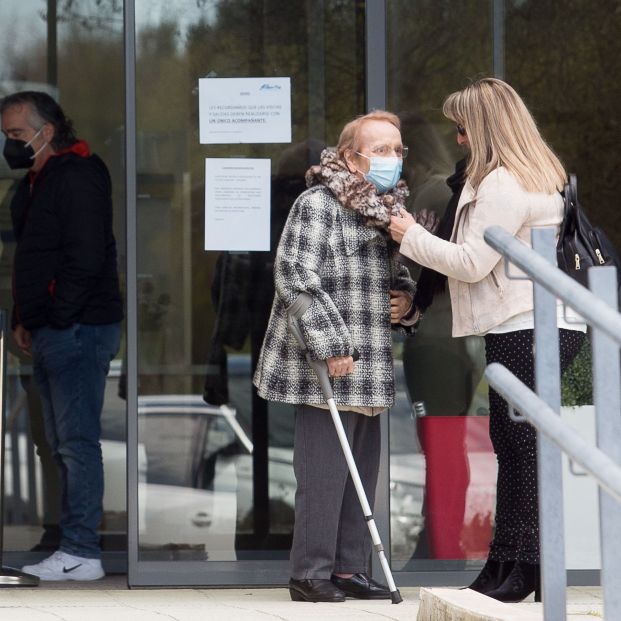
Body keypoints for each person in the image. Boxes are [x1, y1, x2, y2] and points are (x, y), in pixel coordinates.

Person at [389, 78, 586, 603]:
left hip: (527, 324)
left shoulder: (503, 183)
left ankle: (518, 570)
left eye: (462, 128)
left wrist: (408, 232)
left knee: (518, 448)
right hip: (538, 322)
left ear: (484, 128)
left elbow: (473, 264)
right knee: (518, 446)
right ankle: (510, 564)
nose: (457, 140)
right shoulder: (535, 174)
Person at [254, 110, 419, 603]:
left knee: (361, 475)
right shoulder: (318, 205)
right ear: (351, 157)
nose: (392, 158)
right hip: (328, 362)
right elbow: (295, 277)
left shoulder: (384, 210)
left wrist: (405, 302)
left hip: (371, 362)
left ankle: (349, 569)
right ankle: (310, 573)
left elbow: (398, 277)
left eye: (397, 149)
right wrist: (330, 345)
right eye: (381, 149)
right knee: (324, 476)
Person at [1, 91, 123, 580]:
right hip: (54, 328)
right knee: (58, 443)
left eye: (14, 135)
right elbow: (35, 258)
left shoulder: (78, 175)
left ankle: (81, 551)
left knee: (75, 442)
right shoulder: (37, 181)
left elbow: (84, 257)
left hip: (77, 329)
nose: (9, 144)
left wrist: (56, 314)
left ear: (45, 131)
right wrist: (28, 319)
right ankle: (67, 542)